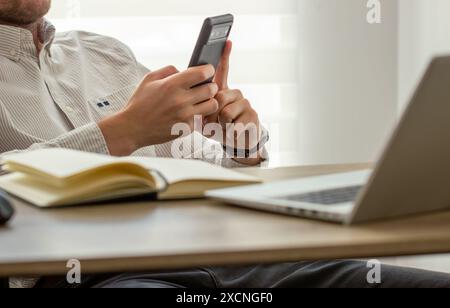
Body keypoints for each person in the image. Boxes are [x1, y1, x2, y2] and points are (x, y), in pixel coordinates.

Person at [1, 0, 450, 288]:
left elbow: (192, 173)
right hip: (103, 278)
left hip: (242, 262)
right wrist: (123, 131)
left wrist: (235, 142)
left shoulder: (103, 54)